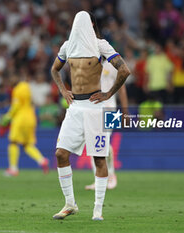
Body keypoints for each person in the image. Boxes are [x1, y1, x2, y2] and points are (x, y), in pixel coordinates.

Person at [50, 11, 130, 221]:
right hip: (75, 107)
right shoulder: (68, 46)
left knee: (99, 157)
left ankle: (98, 210)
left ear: (91, 25)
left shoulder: (101, 45)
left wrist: (108, 93)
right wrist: (63, 90)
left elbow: (124, 70)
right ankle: (70, 204)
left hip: (99, 108)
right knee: (60, 154)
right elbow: (54, 70)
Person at [85, 60, 128, 191]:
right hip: (92, 108)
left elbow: (121, 88)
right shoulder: (90, 64)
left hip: (110, 108)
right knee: (93, 142)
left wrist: (125, 111)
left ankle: (111, 175)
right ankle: (98, 179)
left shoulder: (114, 63)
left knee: (105, 142)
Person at [1, 76, 49, 177]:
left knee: (13, 142)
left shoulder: (17, 90)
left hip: (21, 119)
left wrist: (7, 116)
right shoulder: (27, 87)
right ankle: (42, 160)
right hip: (31, 118)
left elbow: (16, 106)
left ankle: (13, 169)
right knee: (27, 145)